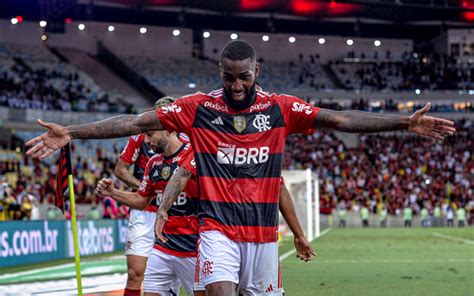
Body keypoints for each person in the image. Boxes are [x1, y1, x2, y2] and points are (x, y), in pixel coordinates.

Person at [26, 40, 456, 295]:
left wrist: (404, 122)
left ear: (256, 71)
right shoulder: (198, 108)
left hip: (263, 237)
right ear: (220, 71)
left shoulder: (280, 109)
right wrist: (72, 132)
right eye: (229, 77)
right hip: (216, 233)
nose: (235, 86)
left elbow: (339, 119)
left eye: (243, 77)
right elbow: (134, 123)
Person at [97, 129, 206, 296]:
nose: (146, 140)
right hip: (161, 245)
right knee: (139, 278)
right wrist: (113, 193)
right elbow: (141, 199)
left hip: (192, 245)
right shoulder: (153, 163)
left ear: (168, 129)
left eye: (150, 134)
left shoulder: (195, 154)